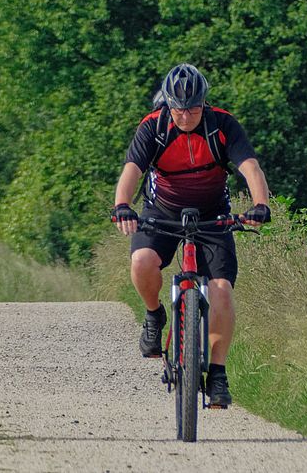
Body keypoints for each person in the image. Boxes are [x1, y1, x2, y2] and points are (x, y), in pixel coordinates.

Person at [111, 63, 272, 408]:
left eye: (194, 108)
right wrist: (123, 204)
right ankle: (155, 315)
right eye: (179, 109)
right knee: (141, 261)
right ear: (167, 104)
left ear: (205, 103)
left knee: (222, 291)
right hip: (162, 211)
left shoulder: (223, 126)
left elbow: (250, 168)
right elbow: (132, 170)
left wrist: (260, 204)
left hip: (213, 215)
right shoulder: (153, 128)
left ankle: (217, 373)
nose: (186, 116)